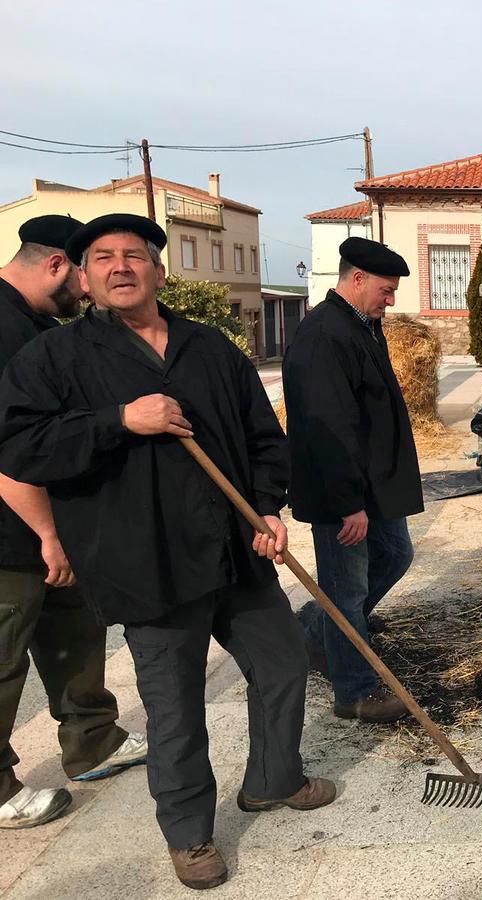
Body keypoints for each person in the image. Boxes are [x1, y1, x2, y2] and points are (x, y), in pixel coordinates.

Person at [0, 214, 334, 890]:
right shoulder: (54, 359)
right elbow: (20, 447)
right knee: (176, 710)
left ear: (158, 270)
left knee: (283, 665)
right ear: (85, 277)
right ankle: (189, 835)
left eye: (134, 255)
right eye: (103, 258)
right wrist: (117, 421)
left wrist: (268, 506)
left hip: (234, 552)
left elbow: (263, 435)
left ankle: (273, 780)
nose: (120, 267)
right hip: (144, 562)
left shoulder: (209, 347)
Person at [0, 216, 148, 830]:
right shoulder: (6, 331)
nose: (89, 291)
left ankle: (93, 740)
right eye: (85, 274)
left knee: (73, 632)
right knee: (4, 654)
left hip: (49, 524)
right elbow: (9, 450)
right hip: (12, 530)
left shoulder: (34, 323)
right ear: (60, 265)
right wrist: (48, 535)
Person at [283, 237, 422, 723]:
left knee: (395, 555)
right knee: (346, 586)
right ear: (356, 279)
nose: (391, 300)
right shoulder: (324, 335)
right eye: (386, 290)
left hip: (374, 485)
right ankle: (355, 692)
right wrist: (348, 502)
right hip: (343, 492)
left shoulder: (361, 324)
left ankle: (320, 628)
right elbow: (326, 425)